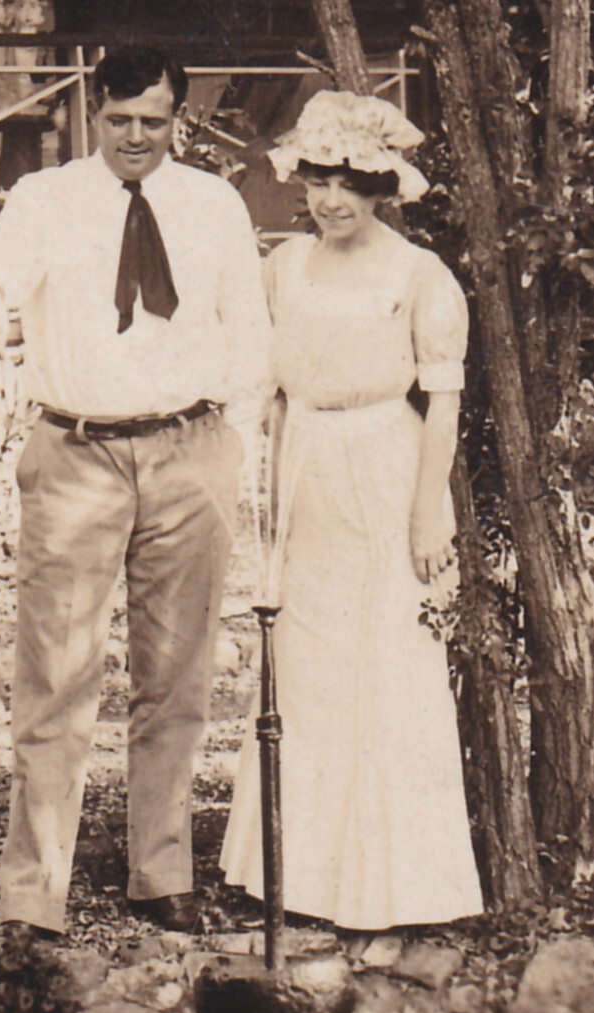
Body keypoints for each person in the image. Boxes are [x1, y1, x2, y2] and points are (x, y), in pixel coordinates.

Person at [0, 44, 271, 937]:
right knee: (56, 679)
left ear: (180, 117)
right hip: (78, 454)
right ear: (95, 111)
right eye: (120, 119)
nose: (136, 136)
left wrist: (229, 448)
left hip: (190, 451)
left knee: (174, 679)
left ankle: (160, 870)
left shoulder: (213, 204)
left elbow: (247, 332)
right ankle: (34, 893)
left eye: (155, 120)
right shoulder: (44, 197)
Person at [221, 90, 484, 933]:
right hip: (305, 463)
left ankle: (396, 888)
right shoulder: (282, 266)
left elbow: (440, 403)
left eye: (349, 183)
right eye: (318, 180)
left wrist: (428, 511)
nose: (330, 199)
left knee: (384, 665)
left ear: (381, 189)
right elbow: (258, 383)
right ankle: (298, 879)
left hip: (383, 462)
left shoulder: (418, 275)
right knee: (307, 668)